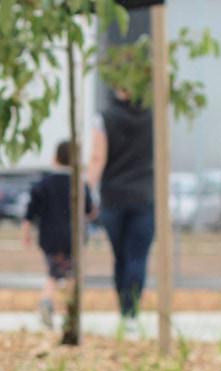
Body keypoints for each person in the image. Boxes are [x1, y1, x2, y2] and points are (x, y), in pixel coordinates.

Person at [88, 88, 154, 330]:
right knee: (137, 257)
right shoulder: (153, 116)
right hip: (145, 196)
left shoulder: (105, 117)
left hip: (113, 197)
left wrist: (87, 191)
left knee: (121, 257)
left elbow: (97, 158)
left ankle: (125, 310)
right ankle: (131, 312)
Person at [21, 140, 93, 329]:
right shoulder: (79, 184)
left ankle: (46, 301)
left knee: (53, 273)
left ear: (55, 158)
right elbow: (89, 210)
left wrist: (26, 233)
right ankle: (71, 311)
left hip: (49, 237)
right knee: (72, 275)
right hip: (73, 238)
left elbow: (30, 213)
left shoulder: (43, 184)